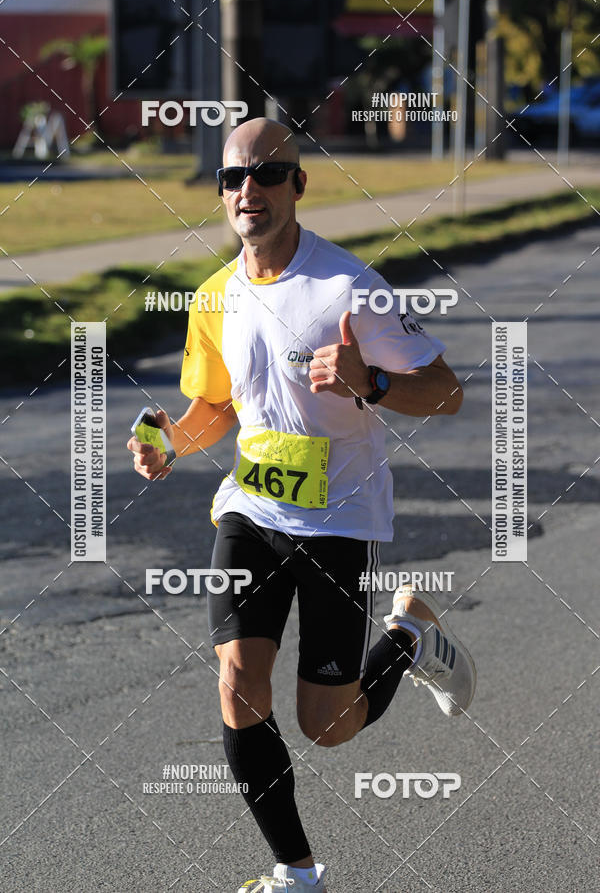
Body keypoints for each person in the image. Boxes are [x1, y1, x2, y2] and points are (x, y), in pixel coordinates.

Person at [128, 118, 475, 893]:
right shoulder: (215, 296)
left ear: (297, 185)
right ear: (220, 192)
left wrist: (373, 384)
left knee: (328, 725)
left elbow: (447, 392)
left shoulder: (348, 289)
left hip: (341, 520)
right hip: (250, 509)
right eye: (232, 178)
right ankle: (296, 872)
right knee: (237, 684)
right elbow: (217, 406)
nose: (247, 190)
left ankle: (412, 636)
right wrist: (173, 443)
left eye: (266, 173)